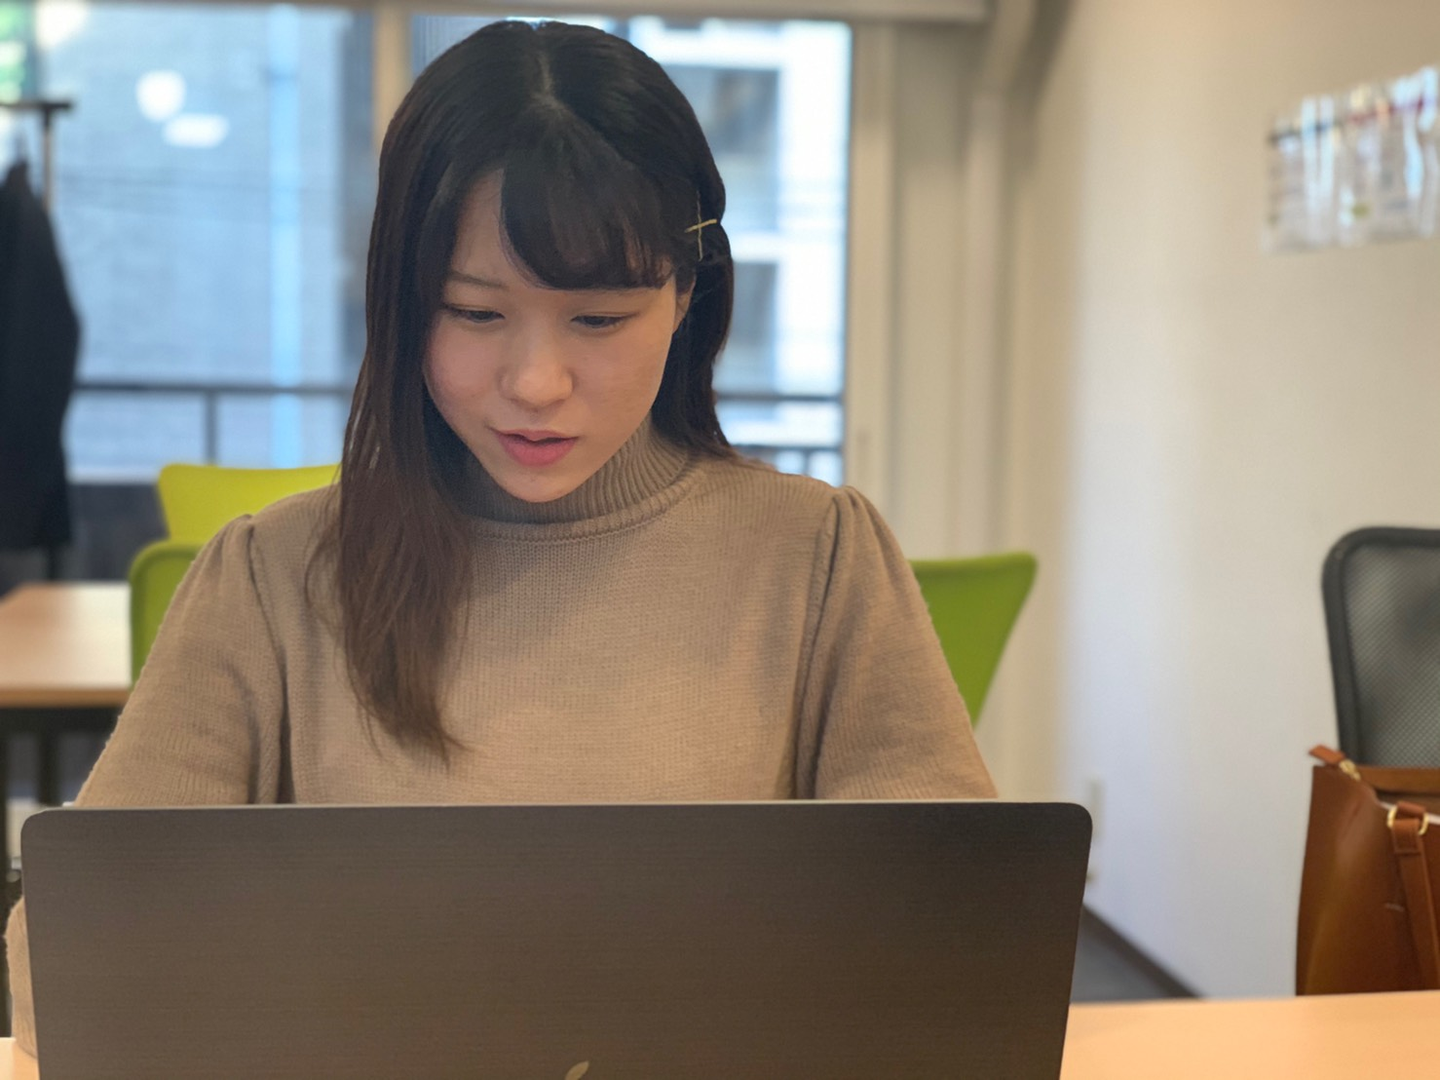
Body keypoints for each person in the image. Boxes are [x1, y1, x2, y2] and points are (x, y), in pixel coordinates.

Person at [4, 19, 994, 1056]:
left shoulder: (818, 560)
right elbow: (68, 973)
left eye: (599, 320)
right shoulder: (271, 579)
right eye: (476, 314)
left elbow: (956, 949)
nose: (535, 383)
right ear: (403, 305)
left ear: (685, 297)